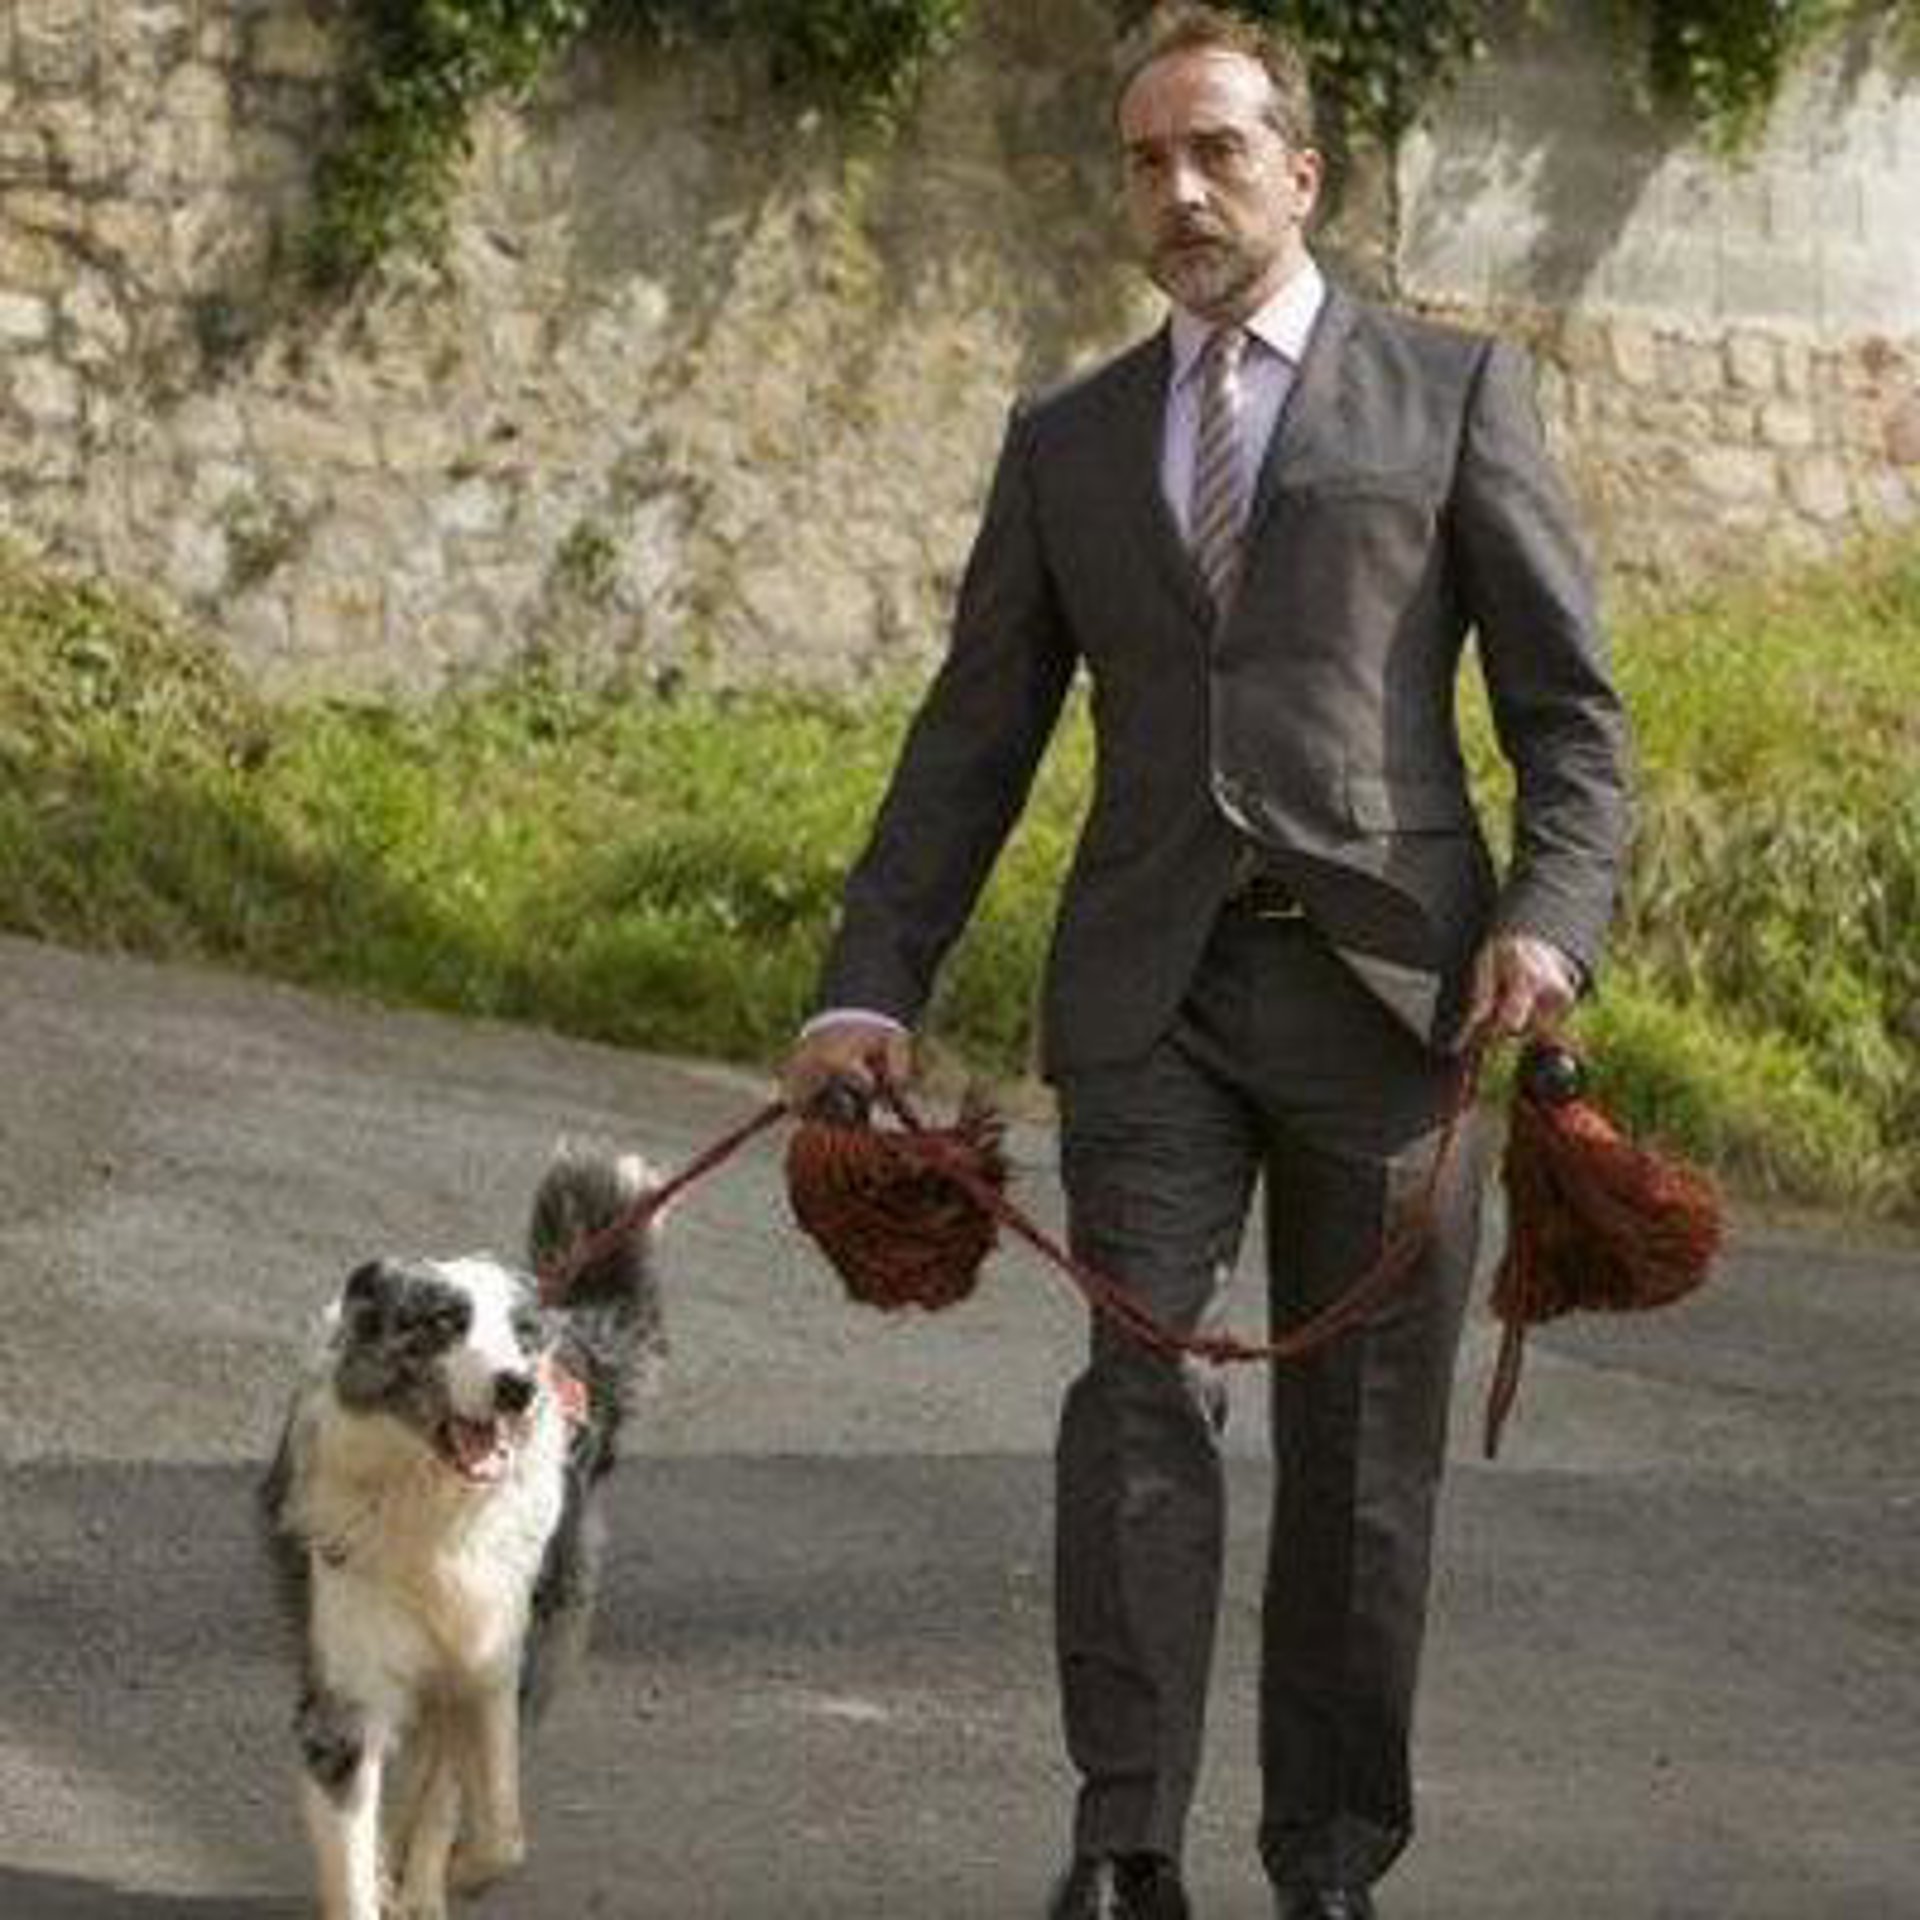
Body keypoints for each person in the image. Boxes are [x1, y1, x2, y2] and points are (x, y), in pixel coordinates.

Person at [782, 5, 1630, 1916]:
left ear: (1300, 172)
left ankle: (1327, 1863)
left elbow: (1574, 721)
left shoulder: (1452, 396)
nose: (1179, 190)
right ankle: (1125, 1846)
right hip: (1150, 996)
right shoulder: (1067, 441)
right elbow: (972, 738)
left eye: (1217, 151)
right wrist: (866, 983)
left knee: (1365, 1455)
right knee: (1140, 1405)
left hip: (1399, 1000)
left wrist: (1550, 922)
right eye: (1147, 161)